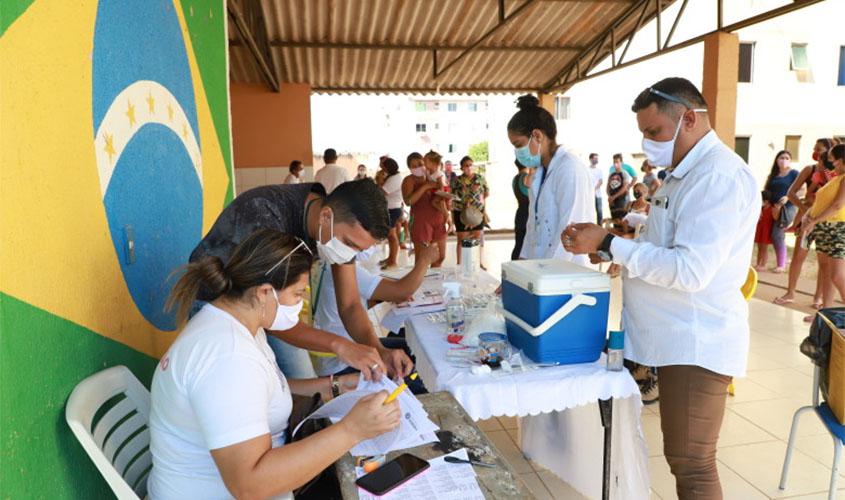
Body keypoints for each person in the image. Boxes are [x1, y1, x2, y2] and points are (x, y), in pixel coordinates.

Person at [562, 77, 757, 499]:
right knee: (684, 459)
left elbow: (691, 271)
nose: (648, 142)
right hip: (670, 337)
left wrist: (611, 243)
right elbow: (663, 248)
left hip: (695, 339)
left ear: (688, 118)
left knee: (693, 463)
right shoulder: (681, 174)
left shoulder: (717, 177)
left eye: (654, 132)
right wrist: (613, 251)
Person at [149, 230, 401, 499]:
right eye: (297, 294)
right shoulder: (229, 357)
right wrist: (353, 429)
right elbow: (249, 485)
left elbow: (260, 392)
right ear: (265, 293)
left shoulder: (237, 324)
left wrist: (335, 385)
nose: (299, 304)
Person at [189, 179, 413, 381]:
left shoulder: (333, 229)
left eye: (357, 250)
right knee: (253, 385)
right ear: (326, 216)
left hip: (266, 307)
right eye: (350, 244)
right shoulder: (265, 215)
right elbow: (263, 311)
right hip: (219, 305)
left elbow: (350, 304)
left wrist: (377, 349)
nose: (349, 254)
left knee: (295, 386)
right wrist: (340, 345)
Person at [312, 243, 440, 379]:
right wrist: (425, 260)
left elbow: (356, 303)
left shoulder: (325, 262)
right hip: (342, 363)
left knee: (412, 347)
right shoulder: (342, 266)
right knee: (426, 361)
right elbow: (402, 291)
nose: (373, 244)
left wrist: (384, 296)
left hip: (340, 353)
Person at [506, 94, 595, 263]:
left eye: (518, 145)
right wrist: (520, 269)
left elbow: (569, 231)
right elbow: (532, 228)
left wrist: (542, 276)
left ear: (537, 136)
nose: (518, 152)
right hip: (542, 272)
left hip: (563, 273)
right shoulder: (539, 174)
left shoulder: (569, 168)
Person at [773, 138, 835, 307]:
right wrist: (803, 207)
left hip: (824, 223)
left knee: (824, 263)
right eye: (815, 149)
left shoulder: (836, 173)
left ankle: (818, 297)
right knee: (799, 257)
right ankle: (790, 292)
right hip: (807, 221)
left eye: (820, 150)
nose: (816, 153)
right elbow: (791, 192)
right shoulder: (810, 170)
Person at [801, 144, 845, 322]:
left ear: (841, 160)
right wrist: (807, 215)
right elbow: (821, 202)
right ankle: (824, 314)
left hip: (838, 229)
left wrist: (813, 220)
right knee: (826, 271)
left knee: (837, 274)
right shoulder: (837, 178)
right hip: (824, 229)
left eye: (833, 160)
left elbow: (837, 205)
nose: (831, 163)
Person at [402, 151, 447, 267]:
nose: (418, 167)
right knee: (422, 260)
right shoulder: (409, 180)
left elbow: (442, 195)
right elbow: (408, 201)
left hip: (437, 218)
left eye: (420, 164)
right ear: (409, 168)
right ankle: (420, 283)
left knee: (440, 257)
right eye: (414, 166)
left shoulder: (432, 176)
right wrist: (425, 187)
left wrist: (447, 213)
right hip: (421, 222)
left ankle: (434, 282)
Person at [764, 150, 799, 273]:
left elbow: (802, 189)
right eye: (781, 157)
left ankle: (781, 265)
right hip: (774, 208)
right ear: (777, 160)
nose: (784, 160)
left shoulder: (794, 174)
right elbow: (767, 190)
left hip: (788, 208)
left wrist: (788, 197)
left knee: (777, 234)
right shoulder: (773, 175)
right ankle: (782, 260)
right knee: (775, 236)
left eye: (787, 158)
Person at [451, 156, 489, 265]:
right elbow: (453, 196)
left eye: (471, 165)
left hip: (477, 212)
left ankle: (477, 263)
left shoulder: (480, 178)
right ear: (462, 168)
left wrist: (478, 203)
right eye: (466, 165)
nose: (469, 167)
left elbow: (486, 193)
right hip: (461, 212)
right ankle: (460, 264)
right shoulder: (456, 181)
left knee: (476, 237)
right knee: (462, 239)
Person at [381, 157, 405, 269]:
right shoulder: (392, 177)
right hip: (390, 208)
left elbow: (382, 192)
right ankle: (390, 258)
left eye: (383, 166)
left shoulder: (395, 178)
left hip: (393, 209)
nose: (382, 168)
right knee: (390, 235)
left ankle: (393, 261)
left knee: (392, 235)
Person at [754, 191, 780, 271]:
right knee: (759, 248)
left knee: (764, 249)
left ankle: (763, 265)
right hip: (760, 229)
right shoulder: (760, 208)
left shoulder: (772, 209)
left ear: (767, 200)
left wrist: (777, 209)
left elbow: (776, 218)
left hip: (766, 230)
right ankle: (758, 264)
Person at [512, 159, 530, 260]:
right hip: (527, 216)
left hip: (520, 214)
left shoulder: (515, 179)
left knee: (519, 244)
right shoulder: (525, 178)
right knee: (523, 246)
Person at [607, 157, 633, 221]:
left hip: (622, 200)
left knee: (622, 219)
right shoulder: (611, 174)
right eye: (614, 162)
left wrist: (614, 197)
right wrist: (610, 197)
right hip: (613, 201)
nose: (615, 164)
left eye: (617, 162)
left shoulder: (625, 173)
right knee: (614, 218)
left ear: (621, 163)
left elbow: (624, 187)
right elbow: (608, 186)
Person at [589, 153, 604, 224]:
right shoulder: (587, 170)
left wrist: (595, 188)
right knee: (589, 211)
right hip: (589, 194)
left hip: (598, 194)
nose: (596, 160)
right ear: (590, 159)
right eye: (595, 158)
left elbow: (601, 181)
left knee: (599, 211)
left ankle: (600, 226)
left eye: (597, 158)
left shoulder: (599, 170)